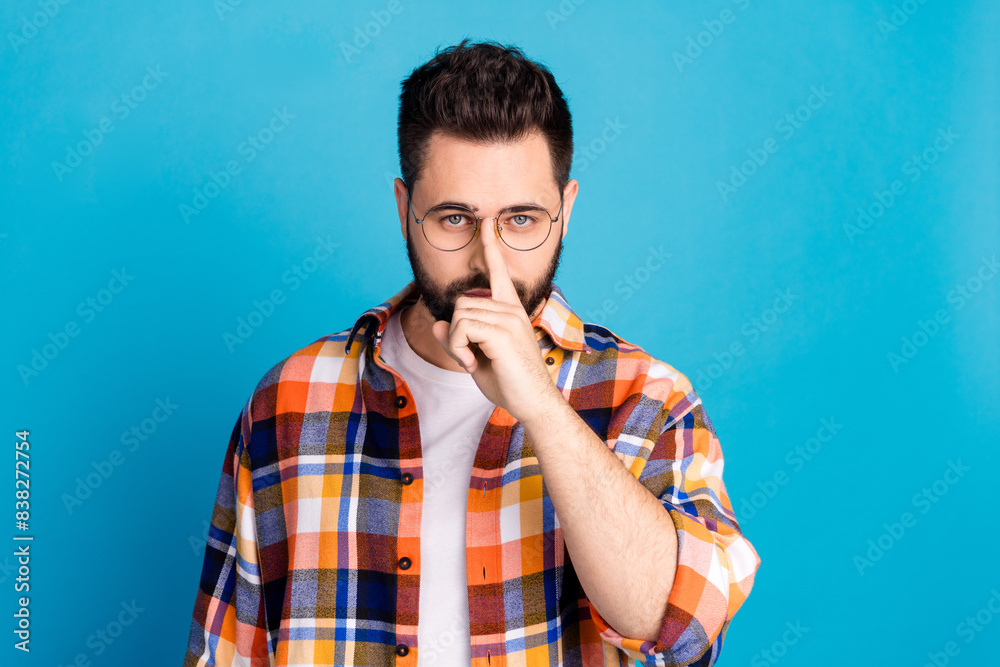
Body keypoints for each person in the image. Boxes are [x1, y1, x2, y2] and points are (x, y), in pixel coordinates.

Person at [183, 38, 760, 667]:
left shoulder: (649, 400)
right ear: (405, 210)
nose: (491, 261)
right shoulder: (290, 400)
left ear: (565, 212)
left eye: (520, 220)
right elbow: (229, 651)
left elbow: (676, 629)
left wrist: (540, 406)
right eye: (455, 219)